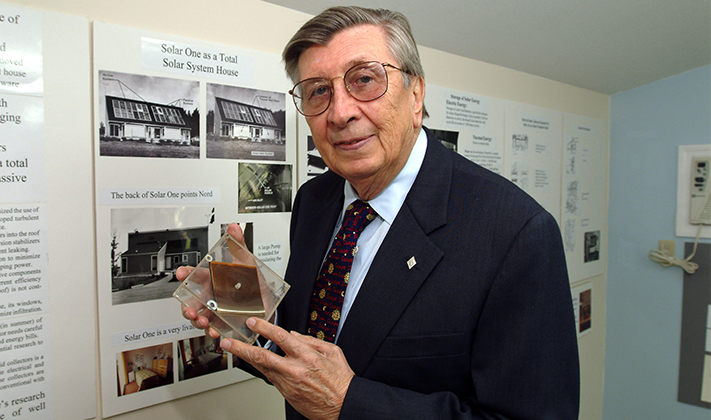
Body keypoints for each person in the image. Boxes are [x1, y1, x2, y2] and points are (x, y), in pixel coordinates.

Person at [180, 6, 579, 420]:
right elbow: (310, 363)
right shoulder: (314, 201)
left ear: (416, 94)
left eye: (364, 80)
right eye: (318, 90)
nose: (340, 112)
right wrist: (256, 316)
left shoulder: (517, 232)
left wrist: (349, 403)